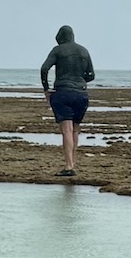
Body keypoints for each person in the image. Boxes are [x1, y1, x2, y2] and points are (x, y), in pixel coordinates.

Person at [38, 24, 95, 177]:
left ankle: (69, 166)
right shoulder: (83, 51)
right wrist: (79, 81)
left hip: (63, 92)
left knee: (66, 130)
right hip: (81, 94)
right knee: (75, 129)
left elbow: (44, 69)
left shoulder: (58, 50)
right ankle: (72, 162)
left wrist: (46, 88)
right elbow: (91, 75)